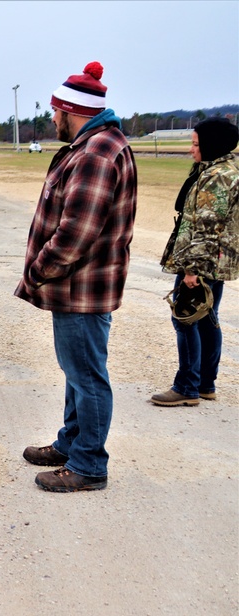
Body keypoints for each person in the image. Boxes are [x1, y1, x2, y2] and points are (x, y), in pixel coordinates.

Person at [15, 62, 137, 492]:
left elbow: (75, 233)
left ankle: (88, 465)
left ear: (72, 111)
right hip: (81, 288)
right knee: (77, 373)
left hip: (80, 288)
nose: (52, 118)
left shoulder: (95, 153)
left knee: (86, 377)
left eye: (55, 111)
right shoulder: (98, 144)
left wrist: (38, 269)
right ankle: (71, 442)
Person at [151, 117, 239, 406]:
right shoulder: (224, 169)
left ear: (211, 144)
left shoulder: (217, 177)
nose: (192, 150)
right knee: (206, 318)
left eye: (196, 143)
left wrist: (192, 270)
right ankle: (205, 383)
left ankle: (187, 386)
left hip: (203, 261)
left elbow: (207, 226)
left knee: (186, 318)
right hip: (216, 261)